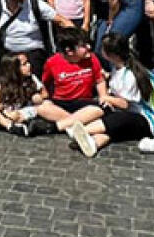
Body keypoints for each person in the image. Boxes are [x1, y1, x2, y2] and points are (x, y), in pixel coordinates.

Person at [34, 28, 109, 158]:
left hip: (84, 103)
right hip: (62, 103)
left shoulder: (92, 59)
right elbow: (46, 84)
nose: (88, 47)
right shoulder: (52, 62)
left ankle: (69, 125)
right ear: (69, 51)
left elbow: (100, 80)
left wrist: (103, 96)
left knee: (98, 110)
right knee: (42, 108)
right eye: (83, 46)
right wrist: (44, 97)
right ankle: (80, 126)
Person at [0, 53, 45, 136]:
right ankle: (9, 125)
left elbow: (45, 94)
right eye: (24, 64)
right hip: (6, 111)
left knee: (36, 109)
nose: (29, 65)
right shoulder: (6, 83)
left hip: (21, 111)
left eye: (28, 62)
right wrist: (3, 109)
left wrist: (38, 97)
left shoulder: (32, 79)